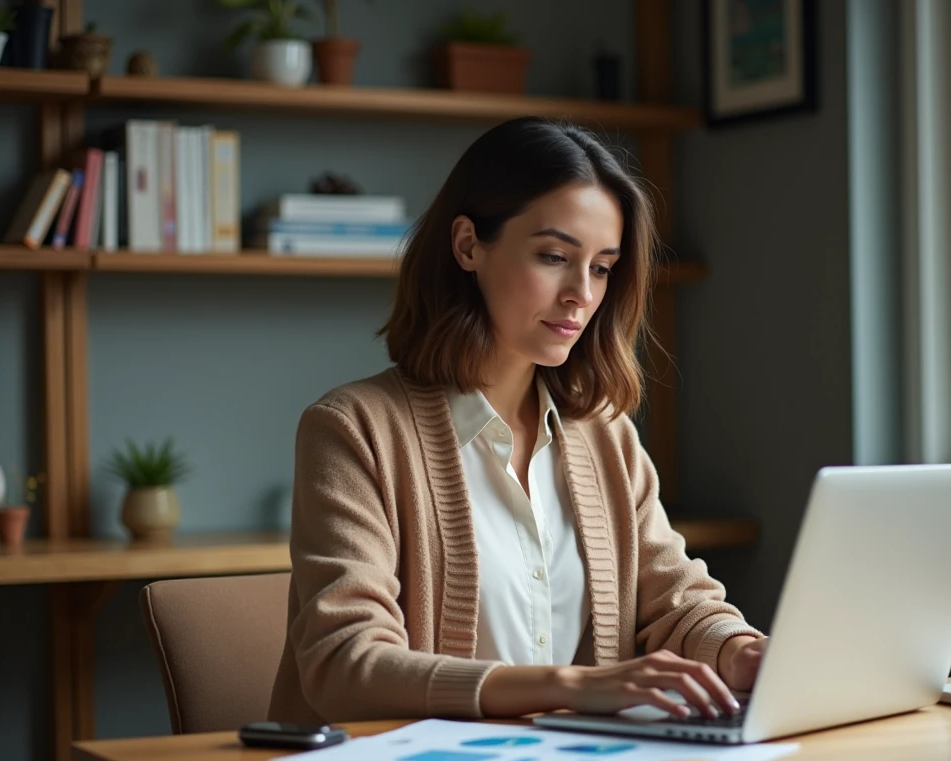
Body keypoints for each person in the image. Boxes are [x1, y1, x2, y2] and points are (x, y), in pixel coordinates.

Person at [268, 116, 766, 725]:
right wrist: (571, 686)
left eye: (603, 266)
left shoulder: (607, 438)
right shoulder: (353, 430)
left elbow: (677, 603)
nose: (581, 293)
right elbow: (344, 664)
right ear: (468, 245)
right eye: (554, 256)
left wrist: (744, 654)